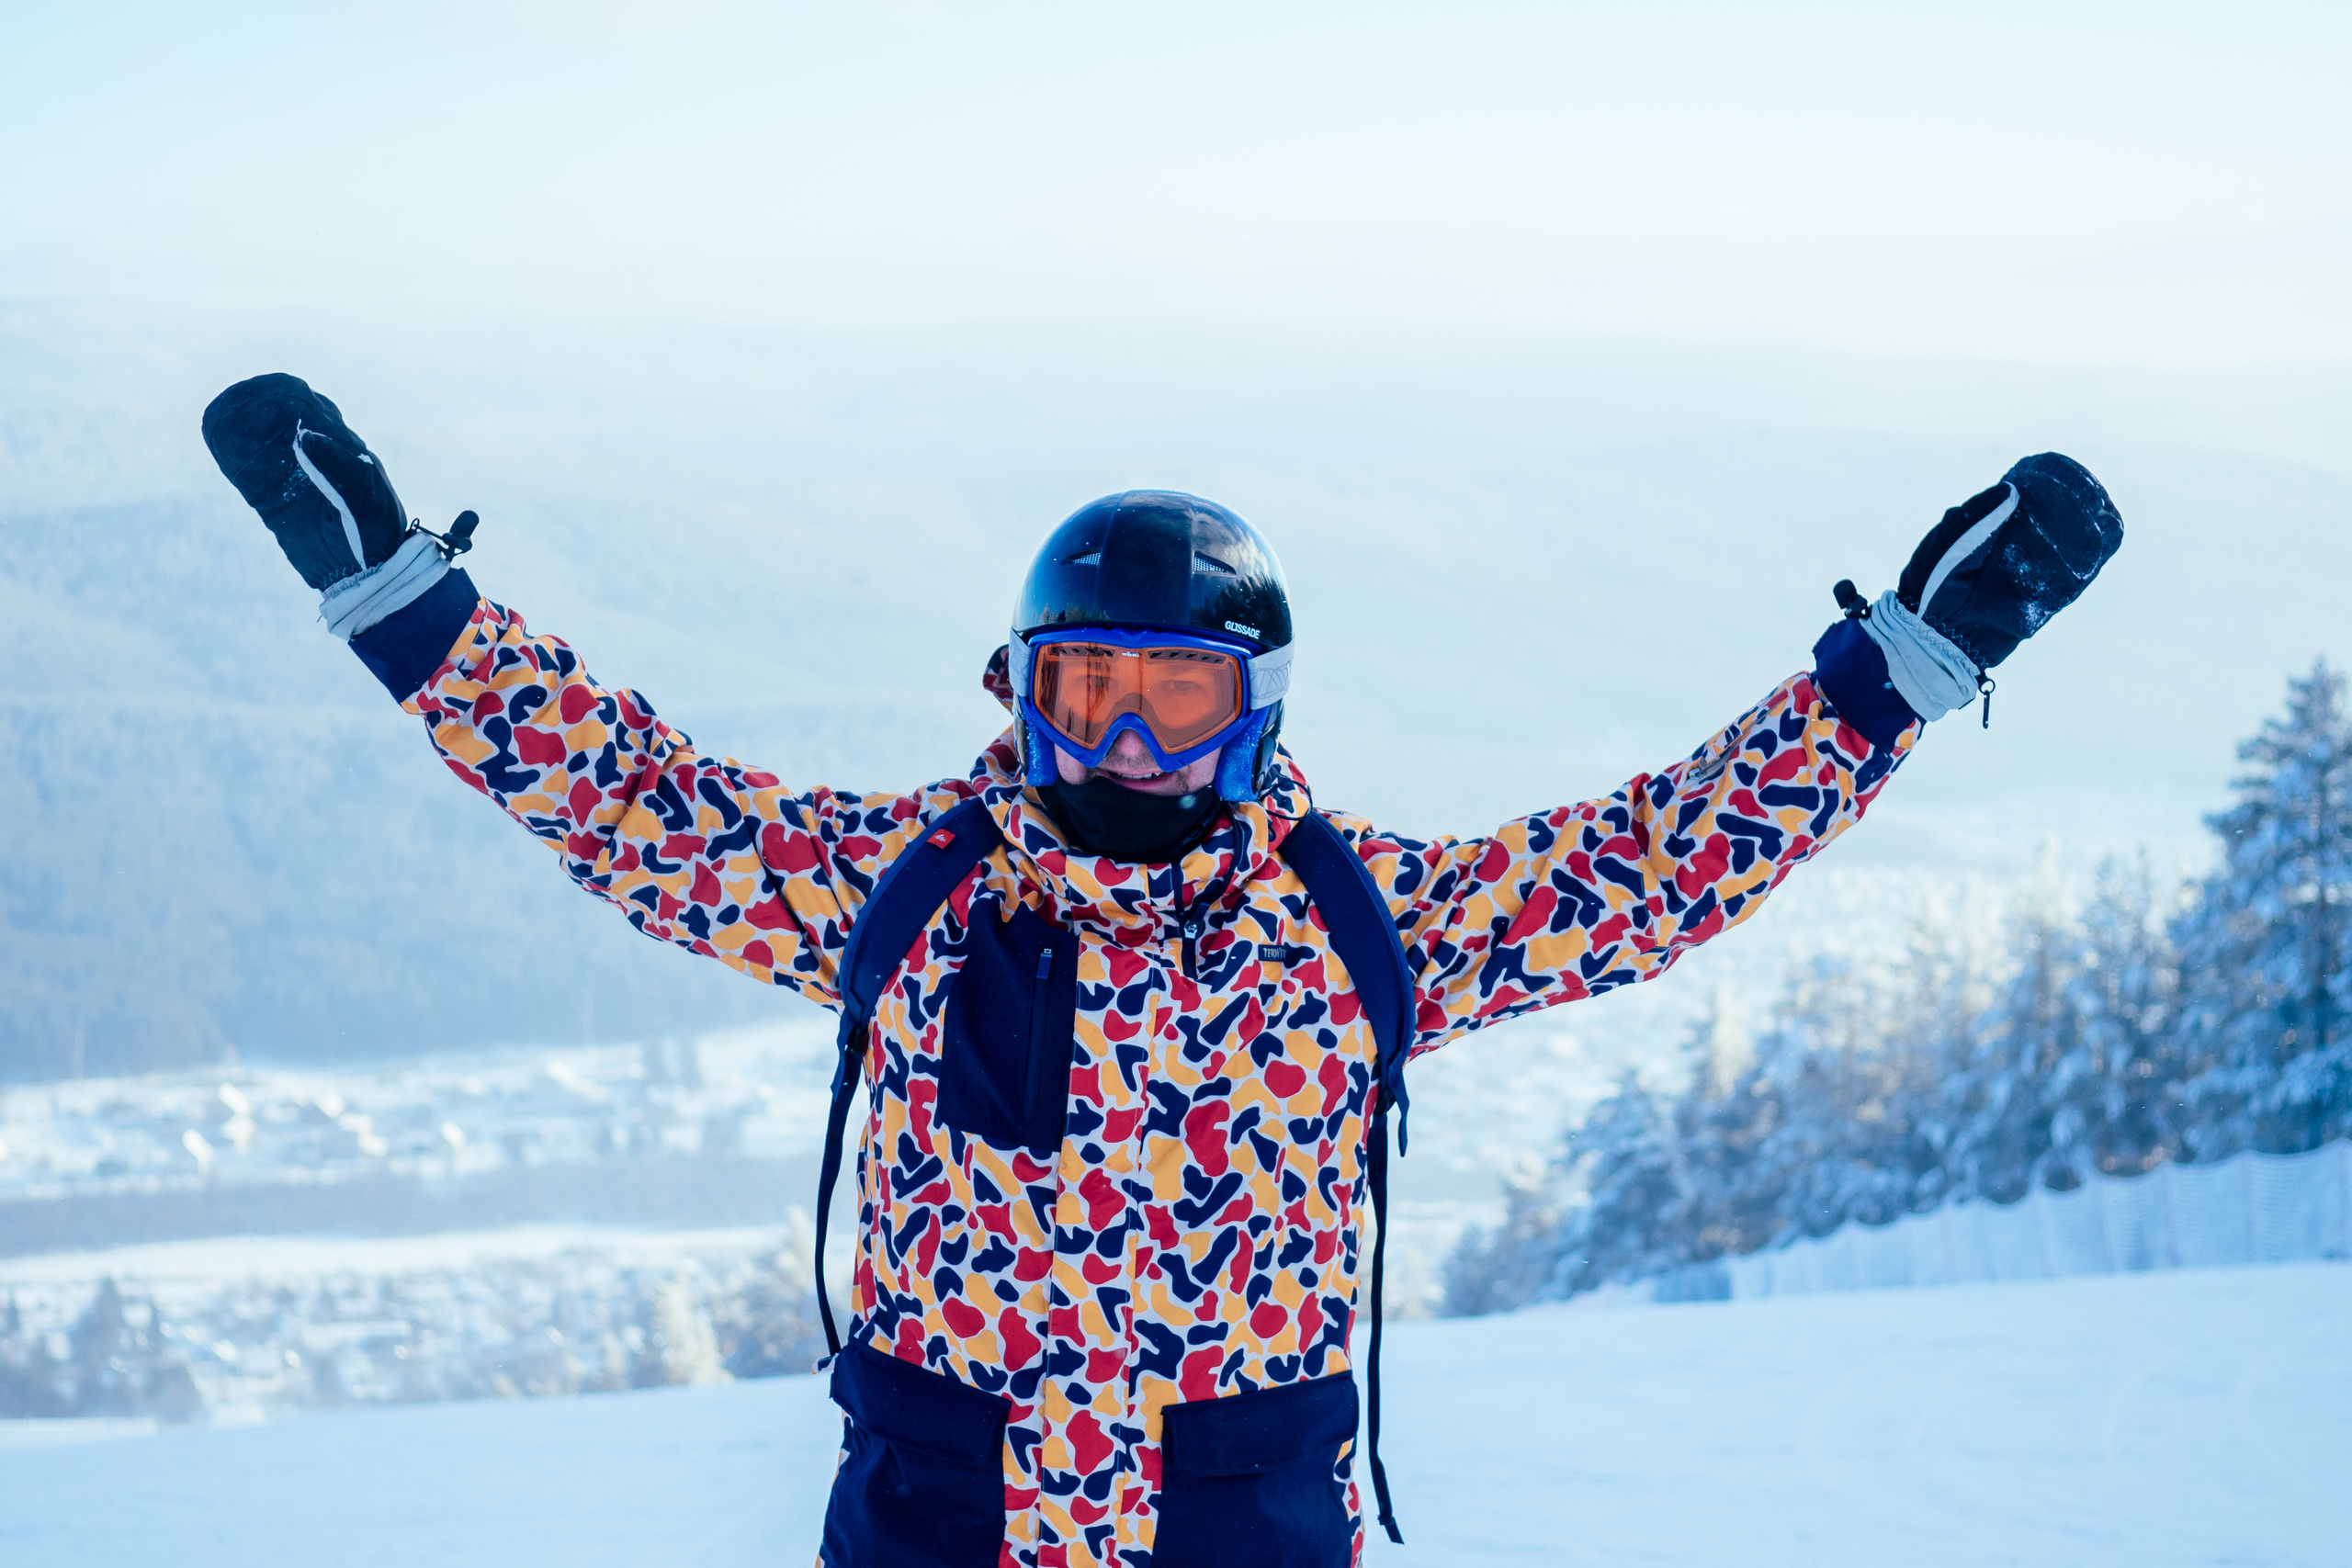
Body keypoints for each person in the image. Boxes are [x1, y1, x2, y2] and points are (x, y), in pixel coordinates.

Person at [201, 373, 2121, 1568]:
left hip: (1236, 1515)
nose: (1123, 740)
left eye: (1171, 697)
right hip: (944, 1513)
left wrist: (1897, 674)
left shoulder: (1363, 925)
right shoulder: (907, 890)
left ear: (1253, 709)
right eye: (1083, 691)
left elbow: (1648, 864)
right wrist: (406, 604)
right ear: (1019, 694)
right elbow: (637, 802)